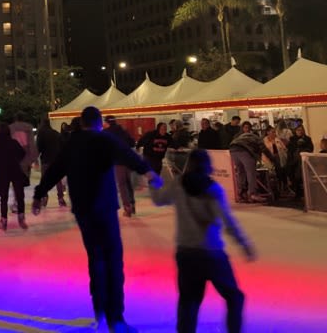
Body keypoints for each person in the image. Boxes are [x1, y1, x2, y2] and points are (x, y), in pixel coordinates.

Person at [33, 106, 162, 333]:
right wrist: (150, 173)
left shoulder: (72, 144)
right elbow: (128, 155)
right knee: (112, 260)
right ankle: (116, 318)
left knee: (96, 259)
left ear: (82, 123)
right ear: (99, 122)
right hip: (103, 207)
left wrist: (39, 193)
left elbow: (55, 170)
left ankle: (100, 313)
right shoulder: (104, 140)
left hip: (84, 210)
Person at [149, 149, 255, 333]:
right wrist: (243, 244)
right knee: (234, 297)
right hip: (211, 252)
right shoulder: (213, 189)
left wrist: (153, 181)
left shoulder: (178, 184)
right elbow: (228, 221)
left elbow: (159, 200)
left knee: (189, 302)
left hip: (186, 252)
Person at [0, 123, 28, 230]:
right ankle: (21, 216)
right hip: (15, 171)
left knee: (4, 197)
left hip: (2, 173)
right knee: (19, 195)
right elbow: (23, 154)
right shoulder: (14, 143)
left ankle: (4, 219)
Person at [229, 122, 274, 203]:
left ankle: (241, 194)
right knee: (251, 173)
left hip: (233, 149)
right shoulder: (256, 138)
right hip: (244, 150)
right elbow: (264, 150)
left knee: (240, 172)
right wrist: (272, 159)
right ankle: (253, 194)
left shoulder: (240, 136)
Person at [105, 116, 135, 217]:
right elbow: (132, 142)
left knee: (121, 185)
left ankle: (127, 208)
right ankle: (132, 204)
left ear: (107, 122)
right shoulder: (123, 131)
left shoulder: (107, 133)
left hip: (118, 161)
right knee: (128, 183)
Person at [36, 118, 65, 208]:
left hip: (46, 160)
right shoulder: (56, 133)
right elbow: (62, 147)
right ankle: (60, 198)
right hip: (56, 160)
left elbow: (39, 147)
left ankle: (44, 197)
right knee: (58, 181)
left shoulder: (41, 133)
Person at [287, 124, 314, 199]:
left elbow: (310, 149)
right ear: (295, 131)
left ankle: (305, 193)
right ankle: (297, 192)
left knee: (302, 175)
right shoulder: (292, 139)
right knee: (295, 176)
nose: (300, 131)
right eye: (298, 130)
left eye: (301, 130)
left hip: (304, 161)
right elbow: (290, 151)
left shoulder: (307, 139)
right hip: (294, 162)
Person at [262, 125, 289, 194]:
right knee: (275, 173)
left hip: (279, 158)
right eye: (272, 132)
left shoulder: (277, 140)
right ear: (268, 132)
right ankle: (277, 189)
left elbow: (284, 148)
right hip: (268, 159)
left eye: (274, 132)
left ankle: (283, 187)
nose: (274, 134)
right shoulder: (264, 141)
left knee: (282, 171)